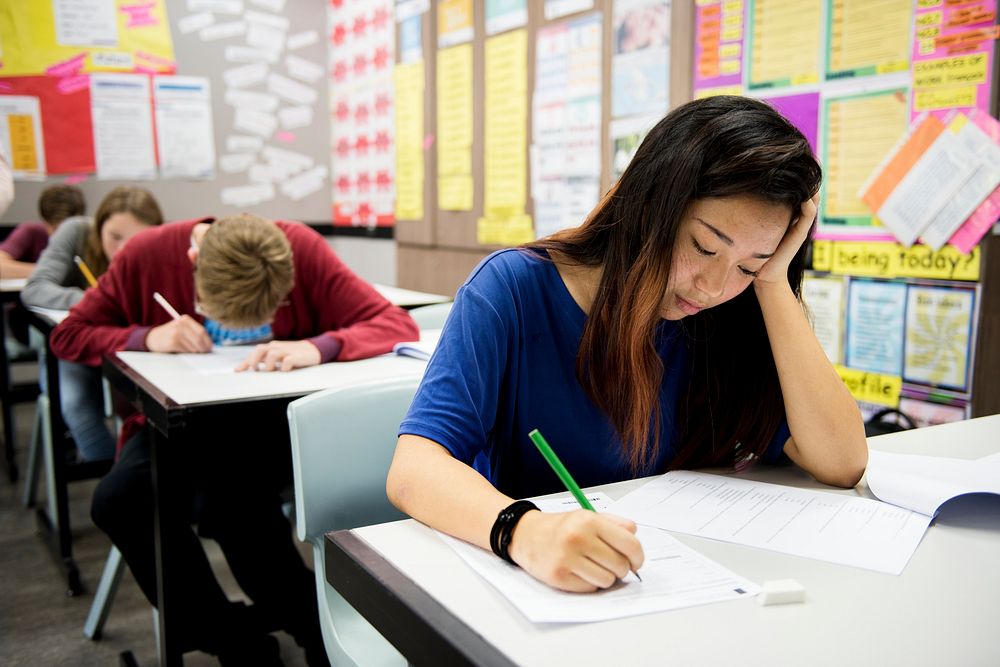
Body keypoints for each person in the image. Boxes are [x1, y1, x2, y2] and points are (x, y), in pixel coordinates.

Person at [386, 96, 868, 594]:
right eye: (704, 246)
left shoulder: (727, 316)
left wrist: (772, 282)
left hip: (679, 587)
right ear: (651, 206)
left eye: (748, 265)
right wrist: (523, 530)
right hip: (540, 591)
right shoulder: (511, 289)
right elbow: (414, 468)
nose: (712, 286)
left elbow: (842, 461)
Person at [51, 213, 419, 665]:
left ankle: (311, 627)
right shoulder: (145, 256)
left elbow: (394, 324)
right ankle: (235, 638)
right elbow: (68, 335)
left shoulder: (298, 248)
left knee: (230, 502)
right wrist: (148, 336)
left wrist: (319, 346)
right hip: (177, 425)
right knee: (119, 499)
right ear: (192, 263)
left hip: (265, 424)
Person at [22, 186, 164, 461]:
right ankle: (111, 478)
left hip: (128, 348)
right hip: (80, 346)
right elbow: (35, 289)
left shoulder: (158, 251)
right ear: (99, 226)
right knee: (77, 407)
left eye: (136, 240)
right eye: (114, 237)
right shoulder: (76, 232)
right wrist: (98, 299)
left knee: (150, 414)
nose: (123, 249)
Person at [0, 183, 85, 279]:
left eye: (68, 228)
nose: (62, 235)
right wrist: (49, 271)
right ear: (45, 222)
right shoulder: (31, 231)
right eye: (55, 229)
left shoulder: (89, 235)